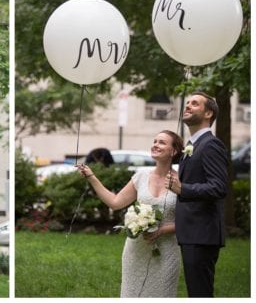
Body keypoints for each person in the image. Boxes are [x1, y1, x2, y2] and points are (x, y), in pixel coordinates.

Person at [76, 130, 183, 297]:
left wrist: (162, 230)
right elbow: (115, 202)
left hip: (166, 250)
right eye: (154, 141)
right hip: (136, 250)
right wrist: (91, 177)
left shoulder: (181, 181)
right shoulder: (141, 176)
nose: (155, 144)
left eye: (162, 142)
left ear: (174, 151)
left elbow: (191, 220)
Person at [165, 92, 228, 297]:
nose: (188, 106)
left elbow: (219, 187)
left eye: (195, 104)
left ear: (208, 113)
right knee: (196, 291)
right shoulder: (192, 146)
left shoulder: (211, 145)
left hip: (202, 233)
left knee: (200, 293)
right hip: (192, 232)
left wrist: (184, 189)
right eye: (188, 103)